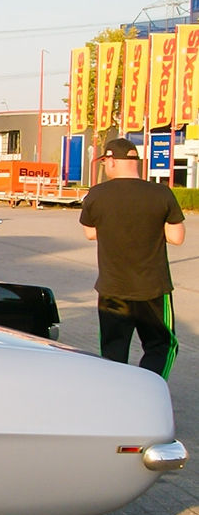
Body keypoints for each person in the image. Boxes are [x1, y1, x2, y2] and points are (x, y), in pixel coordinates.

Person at [79, 137, 185, 378]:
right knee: (161, 346)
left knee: (113, 351)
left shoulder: (97, 195)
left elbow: (90, 233)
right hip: (153, 289)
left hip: (112, 289)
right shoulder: (161, 193)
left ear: (112, 161)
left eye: (105, 162)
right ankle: (149, 388)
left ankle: (117, 398)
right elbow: (176, 237)